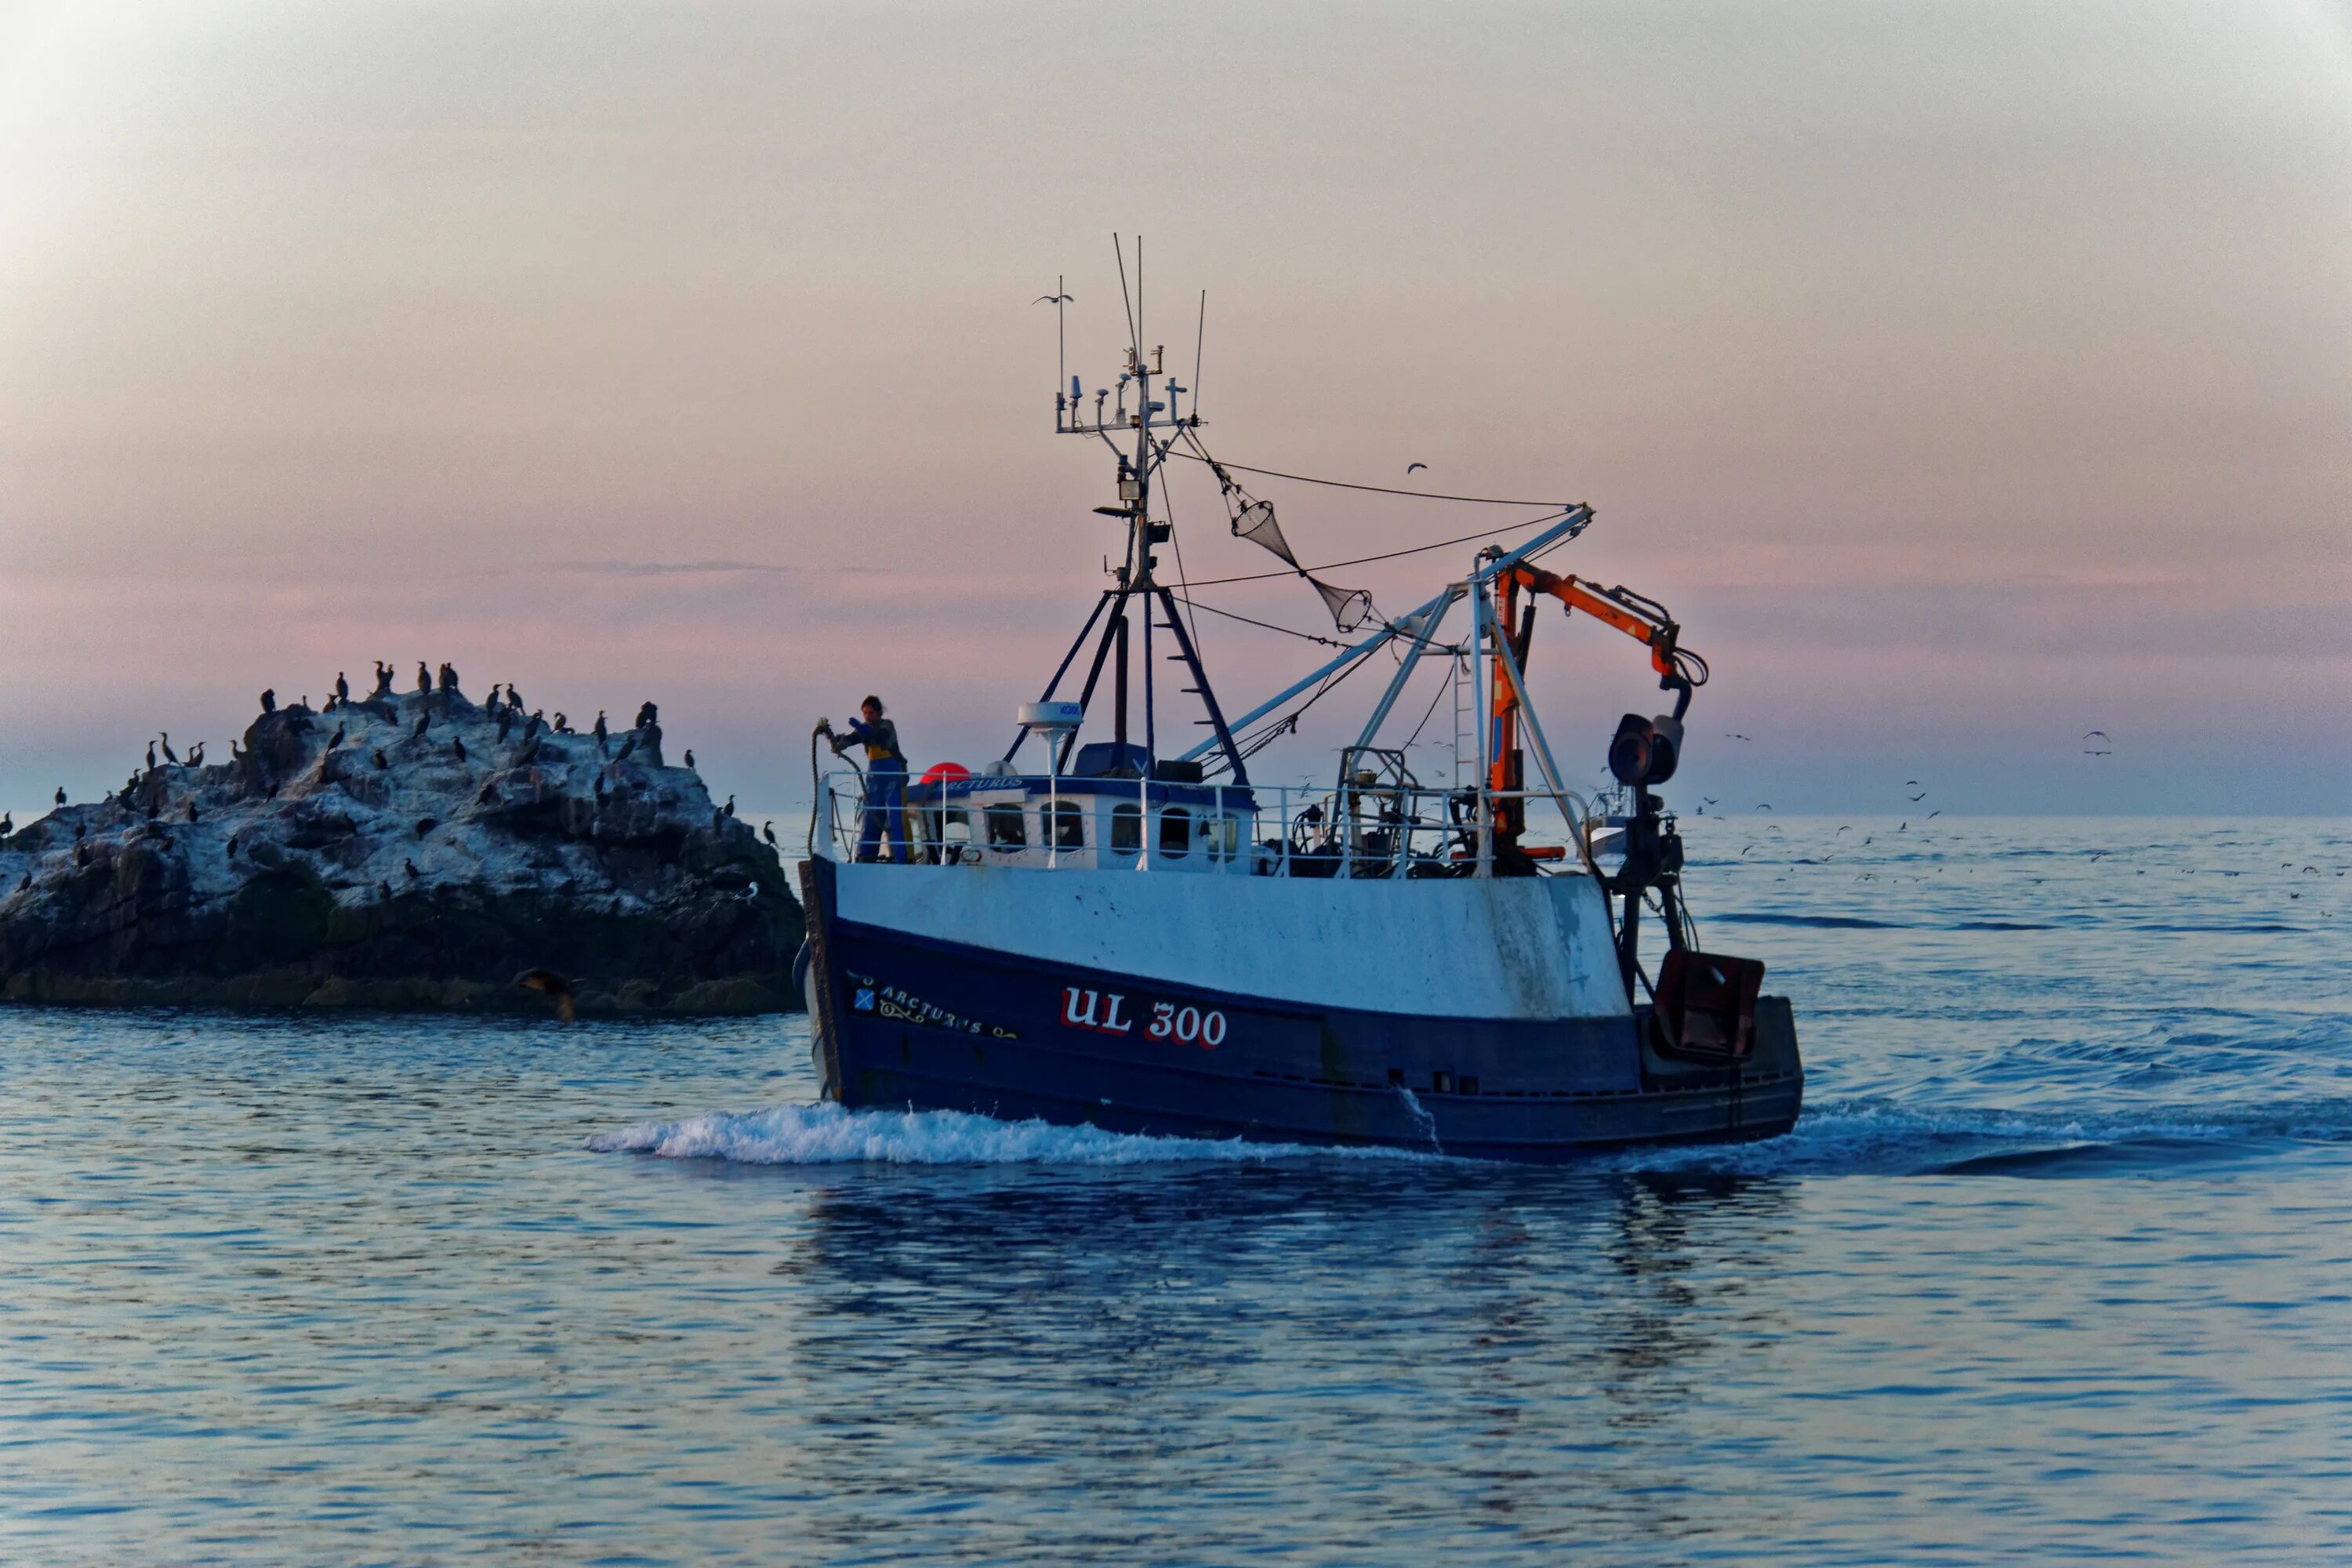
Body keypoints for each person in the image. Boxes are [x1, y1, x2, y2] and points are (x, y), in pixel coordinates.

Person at [821, 695, 909, 864]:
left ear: (879, 713)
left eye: (870, 713)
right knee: (871, 817)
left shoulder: (887, 726)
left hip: (893, 777)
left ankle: (902, 858)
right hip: (874, 779)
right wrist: (837, 741)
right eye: (865, 713)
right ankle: (865, 857)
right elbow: (852, 739)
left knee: (895, 818)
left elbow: (880, 738)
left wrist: (863, 729)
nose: (867, 717)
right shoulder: (863, 730)